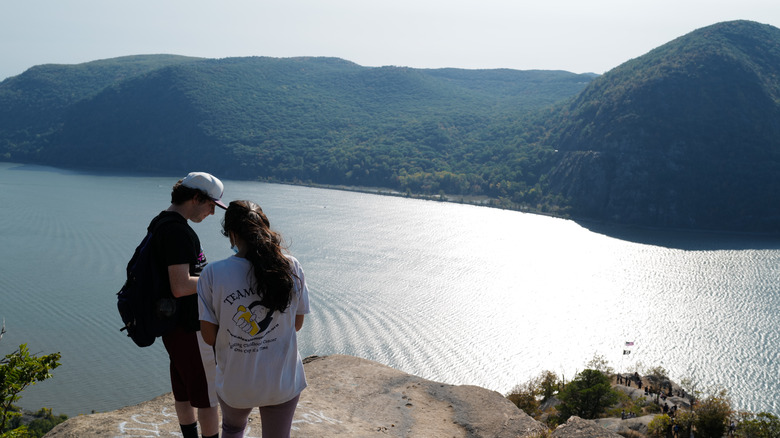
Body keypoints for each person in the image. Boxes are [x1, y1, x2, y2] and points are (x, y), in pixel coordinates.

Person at [197, 200, 310, 438]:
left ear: (232, 235)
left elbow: (209, 337)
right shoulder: (291, 266)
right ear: (265, 228)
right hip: (282, 380)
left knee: (233, 429)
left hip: (236, 381)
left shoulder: (213, 274)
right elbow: (297, 324)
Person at [149, 171, 227, 438]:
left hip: (172, 325)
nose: (213, 213)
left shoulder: (162, 222)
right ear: (196, 198)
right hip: (190, 326)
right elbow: (180, 286)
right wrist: (217, 278)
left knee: (182, 387)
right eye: (211, 206)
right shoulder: (178, 232)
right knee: (207, 395)